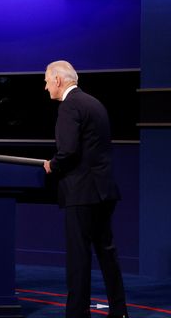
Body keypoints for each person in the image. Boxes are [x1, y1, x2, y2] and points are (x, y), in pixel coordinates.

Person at [42, 60, 128, 318]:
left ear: (58, 80)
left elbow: (67, 152)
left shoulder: (69, 107)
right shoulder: (95, 103)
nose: (46, 88)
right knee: (107, 253)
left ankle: (77, 314)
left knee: (78, 259)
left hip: (81, 193)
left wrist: (51, 165)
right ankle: (120, 311)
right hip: (104, 191)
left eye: (46, 81)